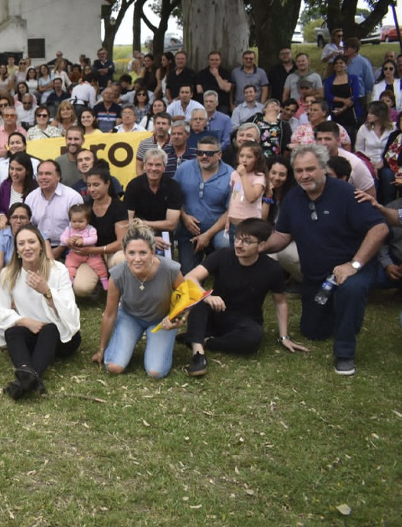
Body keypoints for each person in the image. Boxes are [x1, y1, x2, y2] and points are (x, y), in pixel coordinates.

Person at [264, 144, 388, 376]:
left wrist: (354, 265)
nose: (304, 175)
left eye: (310, 169)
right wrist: (260, 246)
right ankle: (344, 315)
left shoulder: (346, 193)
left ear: (323, 168)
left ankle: (344, 353)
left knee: (350, 290)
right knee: (313, 331)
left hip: (353, 267)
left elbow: (379, 229)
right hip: (316, 275)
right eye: (299, 170)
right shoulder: (293, 198)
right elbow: (282, 236)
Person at [180, 218, 307, 377]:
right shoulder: (223, 255)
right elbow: (190, 278)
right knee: (198, 302)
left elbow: (280, 302)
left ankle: (205, 341)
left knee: (254, 338)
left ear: (260, 245)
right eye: (238, 238)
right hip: (216, 311)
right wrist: (207, 296)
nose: (239, 244)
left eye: (247, 241)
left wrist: (284, 336)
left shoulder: (272, 268)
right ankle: (198, 355)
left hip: (244, 321)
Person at [0, 224, 80, 399]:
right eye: (21, 243)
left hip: (61, 337)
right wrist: (25, 321)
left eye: (31, 242)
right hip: (30, 332)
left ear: (40, 246)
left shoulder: (58, 270)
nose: (27, 247)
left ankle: (27, 378)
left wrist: (47, 291)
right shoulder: (8, 274)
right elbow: (0, 312)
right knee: (12, 330)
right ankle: (27, 373)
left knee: (50, 329)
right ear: (17, 250)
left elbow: (70, 313)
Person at [91, 219, 185, 378]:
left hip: (161, 320)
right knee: (114, 367)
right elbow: (109, 314)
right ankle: (124, 340)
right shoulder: (118, 274)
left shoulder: (171, 269)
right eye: (131, 253)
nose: (137, 259)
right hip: (130, 317)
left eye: (143, 253)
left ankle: (158, 343)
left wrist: (178, 319)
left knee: (155, 372)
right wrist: (101, 349)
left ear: (153, 252)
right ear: (124, 253)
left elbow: (187, 299)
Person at [173, 136, 232, 273]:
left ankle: (221, 264)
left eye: (209, 153)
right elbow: (174, 197)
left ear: (219, 154)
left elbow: (230, 210)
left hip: (218, 229)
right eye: (200, 153)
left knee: (224, 244)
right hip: (188, 229)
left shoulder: (231, 175)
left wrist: (208, 235)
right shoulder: (184, 168)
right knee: (188, 272)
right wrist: (184, 216)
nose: (204, 156)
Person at [124, 148, 183, 258]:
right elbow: (128, 221)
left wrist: (141, 222)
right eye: (150, 164)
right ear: (145, 166)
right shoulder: (133, 186)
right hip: (137, 233)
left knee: (164, 267)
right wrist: (150, 238)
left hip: (163, 233)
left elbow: (171, 224)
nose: (153, 168)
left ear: (164, 167)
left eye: (158, 165)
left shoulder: (173, 187)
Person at [24, 160, 83, 258]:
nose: (43, 177)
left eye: (48, 174)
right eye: (40, 174)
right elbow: (29, 226)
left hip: (68, 245)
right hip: (39, 245)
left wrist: (60, 248)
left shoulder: (72, 197)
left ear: (58, 177)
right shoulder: (31, 197)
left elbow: (78, 228)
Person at [61, 202, 108, 289]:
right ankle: (70, 279)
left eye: (81, 221)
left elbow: (94, 239)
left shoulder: (90, 229)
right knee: (69, 264)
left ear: (87, 220)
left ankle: (104, 279)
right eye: (74, 221)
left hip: (91, 254)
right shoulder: (69, 229)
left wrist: (83, 241)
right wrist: (68, 240)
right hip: (75, 254)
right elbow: (62, 238)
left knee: (99, 265)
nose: (77, 224)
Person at [323, 55, 363, 131]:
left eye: (341, 63)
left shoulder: (353, 78)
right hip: (334, 111)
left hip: (350, 111)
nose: (339, 65)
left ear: (346, 65)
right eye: (336, 63)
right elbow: (328, 95)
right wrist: (343, 100)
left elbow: (355, 95)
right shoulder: (329, 80)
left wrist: (343, 108)